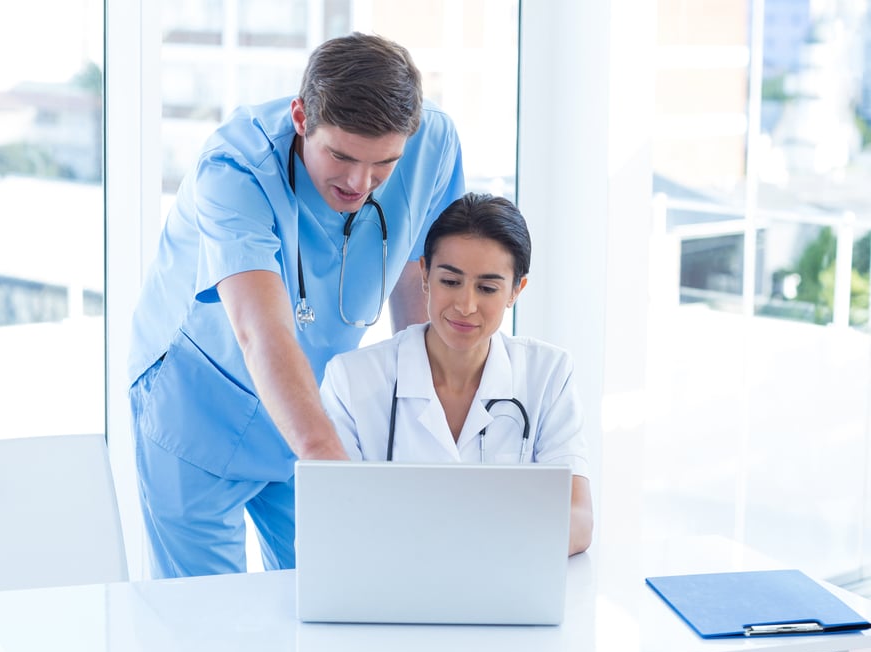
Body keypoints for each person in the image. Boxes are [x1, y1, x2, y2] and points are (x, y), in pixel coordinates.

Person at [127, 32, 465, 578]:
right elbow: (261, 331)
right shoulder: (234, 170)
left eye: (384, 164)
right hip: (196, 404)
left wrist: (420, 411)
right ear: (302, 116)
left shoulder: (433, 143)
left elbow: (416, 276)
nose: (360, 182)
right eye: (341, 156)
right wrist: (336, 475)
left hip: (311, 397)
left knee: (331, 594)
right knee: (206, 628)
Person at [319, 193, 594, 555]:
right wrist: (498, 535)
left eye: (487, 288)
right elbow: (335, 520)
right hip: (393, 592)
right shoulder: (351, 380)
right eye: (451, 281)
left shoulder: (548, 374)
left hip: (504, 590)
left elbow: (577, 518)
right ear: (425, 276)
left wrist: (459, 547)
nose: (466, 306)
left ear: (516, 291)